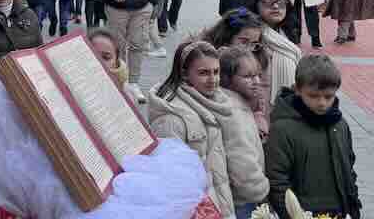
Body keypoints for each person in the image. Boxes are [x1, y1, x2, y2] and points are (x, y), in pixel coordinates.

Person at [147, 40, 234, 218]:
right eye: (203, 73)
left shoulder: (212, 103)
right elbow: (171, 182)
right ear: (185, 75)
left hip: (218, 204)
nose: (213, 80)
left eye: (216, 72)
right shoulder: (171, 120)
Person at [266, 55, 360, 219]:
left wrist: (353, 206)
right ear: (297, 89)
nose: (322, 103)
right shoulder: (283, 128)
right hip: (304, 213)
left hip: (341, 211)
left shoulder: (340, 125)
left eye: (328, 96)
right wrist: (293, 215)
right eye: (313, 96)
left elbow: (349, 168)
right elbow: (277, 181)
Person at [239, 0, 303, 135]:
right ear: (255, 5)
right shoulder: (252, 38)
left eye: (281, 3)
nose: (276, 7)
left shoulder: (284, 33)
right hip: (264, 106)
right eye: (268, 3)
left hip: (289, 102)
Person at [216, 46, 269, 219]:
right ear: (226, 78)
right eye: (247, 76)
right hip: (242, 201)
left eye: (257, 75)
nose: (256, 81)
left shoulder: (238, 104)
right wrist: (261, 189)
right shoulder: (234, 112)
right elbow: (241, 161)